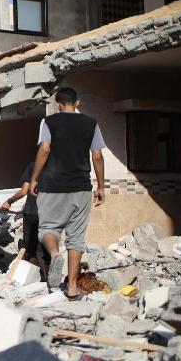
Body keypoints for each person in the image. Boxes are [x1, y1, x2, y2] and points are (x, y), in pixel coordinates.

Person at [29, 87, 106, 298]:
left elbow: (45, 149)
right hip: (81, 187)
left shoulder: (48, 122)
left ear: (58, 104)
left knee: (48, 228)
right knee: (76, 237)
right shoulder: (91, 123)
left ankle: (55, 254)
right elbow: (97, 156)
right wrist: (101, 187)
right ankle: (72, 286)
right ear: (77, 103)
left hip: (52, 185)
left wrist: (34, 178)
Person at [0, 161, 48, 271]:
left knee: (31, 251)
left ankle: (34, 276)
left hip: (32, 212)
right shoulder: (59, 168)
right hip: (50, 214)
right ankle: (49, 278)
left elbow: (24, 191)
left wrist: (9, 201)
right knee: (48, 252)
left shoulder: (33, 166)